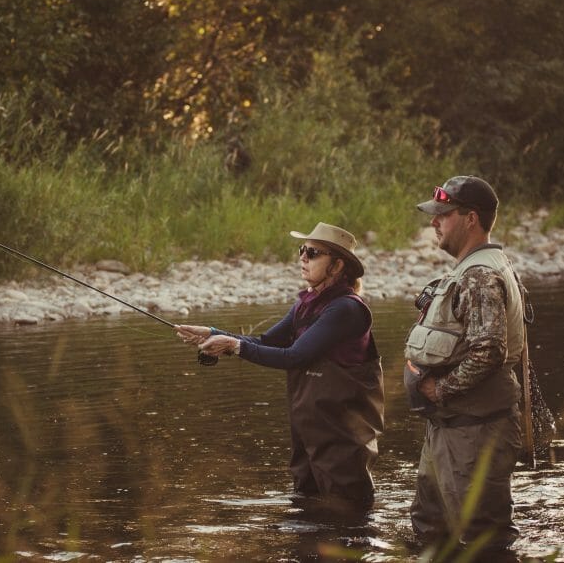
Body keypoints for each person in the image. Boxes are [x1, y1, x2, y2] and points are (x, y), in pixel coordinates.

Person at [175, 222, 385, 507]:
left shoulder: (346, 309)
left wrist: (232, 346)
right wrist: (212, 334)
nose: (302, 258)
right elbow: (267, 341)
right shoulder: (306, 304)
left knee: (348, 517)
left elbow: (295, 356)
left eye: (313, 253)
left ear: (336, 266)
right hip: (310, 432)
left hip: (342, 437)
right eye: (302, 250)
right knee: (306, 508)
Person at [404, 175, 525, 556]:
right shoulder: (477, 267)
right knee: (431, 532)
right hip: (452, 429)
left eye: (444, 214)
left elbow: (488, 352)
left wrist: (438, 390)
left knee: (483, 543)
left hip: (474, 434)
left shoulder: (480, 275)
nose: (434, 222)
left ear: (470, 219)